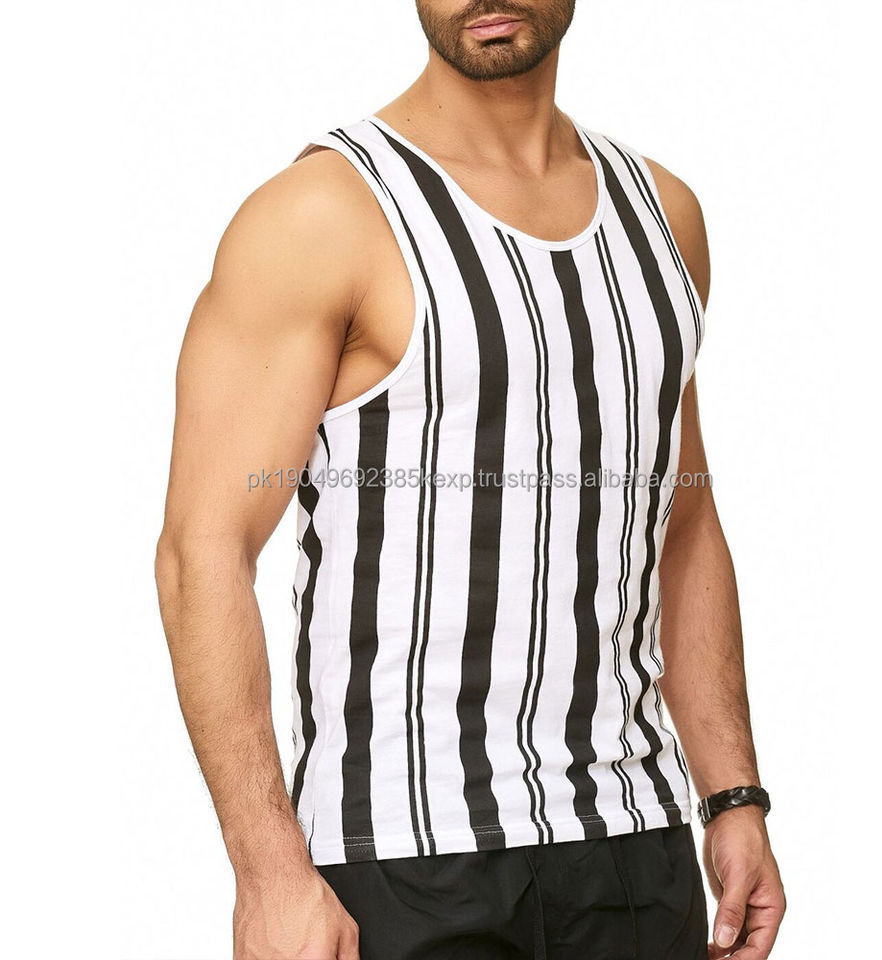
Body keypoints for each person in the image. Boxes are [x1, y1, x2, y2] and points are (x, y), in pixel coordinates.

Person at [155, 2, 786, 958]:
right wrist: (268, 872)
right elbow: (201, 551)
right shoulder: (326, 214)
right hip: (402, 855)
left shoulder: (665, 216)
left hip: (633, 839)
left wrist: (733, 795)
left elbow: (683, 520)